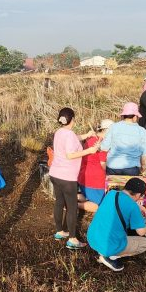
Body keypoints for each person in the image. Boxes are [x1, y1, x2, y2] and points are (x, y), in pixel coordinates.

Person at [49, 107, 101, 250]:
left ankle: (60, 231)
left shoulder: (60, 132)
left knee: (59, 202)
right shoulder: (69, 135)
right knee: (72, 207)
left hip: (55, 173)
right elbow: (70, 155)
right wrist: (90, 150)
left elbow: (73, 139)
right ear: (73, 119)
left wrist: (86, 135)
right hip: (67, 177)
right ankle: (72, 239)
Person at [87, 177, 146, 272]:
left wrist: (138, 206)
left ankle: (106, 251)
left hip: (92, 239)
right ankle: (110, 256)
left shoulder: (111, 193)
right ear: (138, 194)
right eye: (142, 196)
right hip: (108, 246)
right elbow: (141, 231)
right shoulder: (133, 207)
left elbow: (122, 202)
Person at [100, 103, 146, 175]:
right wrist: (143, 166)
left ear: (123, 115)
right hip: (132, 168)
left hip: (112, 166)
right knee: (130, 186)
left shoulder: (114, 127)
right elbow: (144, 152)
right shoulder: (142, 131)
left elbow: (104, 148)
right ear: (135, 116)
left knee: (112, 186)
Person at [79, 119, 113, 212]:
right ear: (107, 131)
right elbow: (103, 165)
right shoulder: (102, 143)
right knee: (100, 206)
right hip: (95, 180)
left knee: (87, 196)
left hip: (83, 176)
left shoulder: (91, 139)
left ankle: (70, 198)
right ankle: (73, 205)